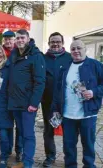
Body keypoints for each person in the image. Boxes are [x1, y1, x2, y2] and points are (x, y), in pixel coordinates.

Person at [52, 40, 103, 168]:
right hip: (68, 115)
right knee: (68, 145)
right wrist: (55, 109)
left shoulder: (95, 65)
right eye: (73, 49)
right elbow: (58, 90)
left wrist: (93, 91)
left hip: (88, 114)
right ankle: (70, 165)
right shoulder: (65, 67)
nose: (76, 51)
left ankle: (89, 165)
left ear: (85, 50)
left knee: (88, 145)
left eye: (79, 48)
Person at [8, 29, 46, 168]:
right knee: (21, 132)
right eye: (17, 38)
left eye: (22, 38)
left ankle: (28, 163)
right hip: (15, 102)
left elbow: (40, 81)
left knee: (28, 134)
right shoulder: (13, 54)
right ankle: (23, 160)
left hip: (28, 104)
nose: (20, 40)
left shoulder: (36, 56)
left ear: (28, 39)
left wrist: (34, 103)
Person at [41, 32, 72, 167]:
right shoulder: (42, 58)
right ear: (49, 43)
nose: (55, 44)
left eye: (58, 41)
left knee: (68, 131)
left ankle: (69, 158)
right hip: (47, 101)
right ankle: (50, 157)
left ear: (62, 43)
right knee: (48, 130)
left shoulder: (70, 58)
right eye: (52, 41)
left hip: (66, 102)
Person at [3, 30, 22, 162]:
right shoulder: (0, 51)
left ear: (14, 40)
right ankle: (8, 148)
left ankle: (19, 150)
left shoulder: (19, 52)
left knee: (20, 126)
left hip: (19, 94)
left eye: (10, 39)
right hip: (5, 95)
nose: (8, 41)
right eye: (6, 39)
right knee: (8, 124)